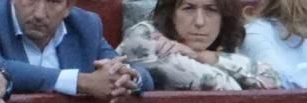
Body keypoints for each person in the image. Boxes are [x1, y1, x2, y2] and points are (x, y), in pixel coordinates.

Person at [116, 0, 281, 90]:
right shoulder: (145, 36)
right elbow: (224, 87)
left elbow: (272, 79)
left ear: (224, 18)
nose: (199, 22)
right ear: (171, 14)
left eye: (211, 9)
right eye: (188, 8)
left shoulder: (216, 46)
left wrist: (205, 57)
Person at [0, 0, 153, 97]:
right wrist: (80, 82)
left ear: (68, 7)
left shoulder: (85, 26)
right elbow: (2, 67)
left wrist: (126, 78)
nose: (39, 13)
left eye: (53, 2)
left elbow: (122, 68)